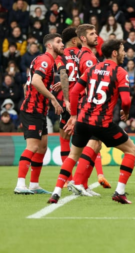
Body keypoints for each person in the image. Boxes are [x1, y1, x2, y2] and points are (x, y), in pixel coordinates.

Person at [48, 39, 135, 204]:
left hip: (82, 120)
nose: (124, 53)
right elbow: (125, 100)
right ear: (115, 53)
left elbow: (74, 92)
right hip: (102, 122)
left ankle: (56, 192)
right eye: (123, 50)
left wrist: (74, 115)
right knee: (131, 150)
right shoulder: (120, 72)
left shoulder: (92, 69)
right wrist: (125, 112)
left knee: (73, 155)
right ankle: (120, 192)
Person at [14, 33, 64, 195]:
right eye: (58, 41)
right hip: (32, 110)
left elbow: (33, 83)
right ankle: (20, 184)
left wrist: (50, 88)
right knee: (33, 146)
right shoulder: (45, 60)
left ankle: (34, 184)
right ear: (49, 45)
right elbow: (35, 81)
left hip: (40, 110)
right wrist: (53, 99)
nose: (62, 44)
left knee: (42, 148)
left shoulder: (49, 61)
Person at [68, 24, 110, 194]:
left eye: (96, 32)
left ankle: (83, 184)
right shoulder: (89, 58)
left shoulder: (84, 55)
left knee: (96, 145)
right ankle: (78, 182)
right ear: (83, 38)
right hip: (90, 107)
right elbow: (89, 85)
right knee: (92, 144)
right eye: (92, 34)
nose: (96, 36)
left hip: (85, 106)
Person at [54, 27, 82, 167]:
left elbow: (64, 74)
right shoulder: (85, 53)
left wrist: (65, 98)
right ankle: (89, 178)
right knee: (89, 140)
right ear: (74, 39)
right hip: (83, 100)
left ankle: (66, 178)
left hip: (69, 101)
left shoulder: (61, 55)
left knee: (64, 139)